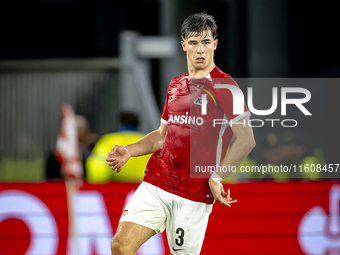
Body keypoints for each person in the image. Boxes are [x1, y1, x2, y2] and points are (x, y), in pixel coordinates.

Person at [106, 12, 256, 255]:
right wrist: (128, 151)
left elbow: (246, 140)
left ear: (215, 45)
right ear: (184, 44)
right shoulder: (175, 84)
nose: (200, 49)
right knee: (120, 246)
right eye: (194, 42)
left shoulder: (227, 88)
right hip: (158, 181)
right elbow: (161, 135)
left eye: (206, 42)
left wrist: (217, 177)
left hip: (194, 194)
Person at [86, 112, 151, 182]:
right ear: (138, 125)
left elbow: (98, 167)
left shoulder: (108, 141)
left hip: (117, 187)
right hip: (144, 186)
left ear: (120, 124)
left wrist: (99, 185)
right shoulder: (148, 142)